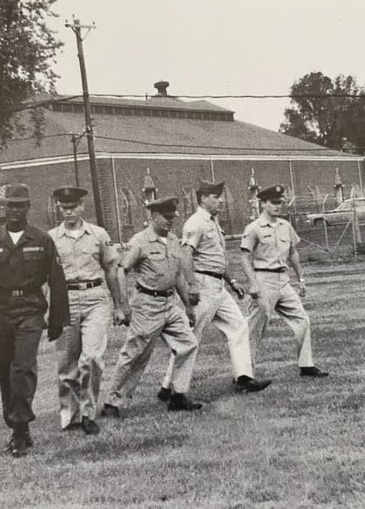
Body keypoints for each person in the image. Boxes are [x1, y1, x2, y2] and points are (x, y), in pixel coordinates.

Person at [0, 184, 70, 457]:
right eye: (11, 205)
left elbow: (57, 281)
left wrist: (56, 321)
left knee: (23, 367)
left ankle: (20, 429)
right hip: (3, 309)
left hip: (31, 309)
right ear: (3, 208)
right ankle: (17, 425)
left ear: (28, 207)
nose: (15, 210)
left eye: (21, 205)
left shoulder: (41, 240)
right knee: (5, 370)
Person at [159, 180, 270, 399]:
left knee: (239, 326)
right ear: (203, 198)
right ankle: (168, 387)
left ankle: (244, 378)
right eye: (215, 196)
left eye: (220, 196)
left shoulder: (212, 221)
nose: (220, 200)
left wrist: (231, 281)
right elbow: (186, 256)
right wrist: (191, 285)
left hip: (218, 285)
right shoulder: (195, 223)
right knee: (190, 338)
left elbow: (215, 259)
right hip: (203, 286)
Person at [102, 197, 202, 418]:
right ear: (152, 217)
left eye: (172, 217)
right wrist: (123, 305)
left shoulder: (174, 240)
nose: (171, 222)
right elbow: (120, 271)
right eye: (166, 218)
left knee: (188, 344)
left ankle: (177, 395)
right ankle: (113, 402)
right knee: (135, 354)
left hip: (169, 304)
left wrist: (187, 306)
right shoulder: (139, 241)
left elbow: (176, 276)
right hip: (146, 305)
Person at [48, 186, 125, 436]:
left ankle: (89, 413)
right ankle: (70, 415)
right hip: (65, 299)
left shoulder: (98, 234)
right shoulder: (51, 238)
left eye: (73, 207)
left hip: (95, 298)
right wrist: (47, 307)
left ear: (82, 206)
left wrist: (120, 304)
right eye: (64, 207)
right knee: (67, 362)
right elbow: (44, 277)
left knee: (91, 358)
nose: (68, 212)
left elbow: (112, 270)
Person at [240, 184, 329, 378]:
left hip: (283, 280)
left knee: (302, 320)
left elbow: (293, 253)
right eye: (273, 202)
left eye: (280, 203)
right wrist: (253, 283)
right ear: (263, 203)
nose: (277, 206)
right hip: (263, 279)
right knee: (254, 327)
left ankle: (306, 365)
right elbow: (245, 257)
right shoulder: (253, 228)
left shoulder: (285, 226)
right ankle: (244, 374)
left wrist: (301, 278)